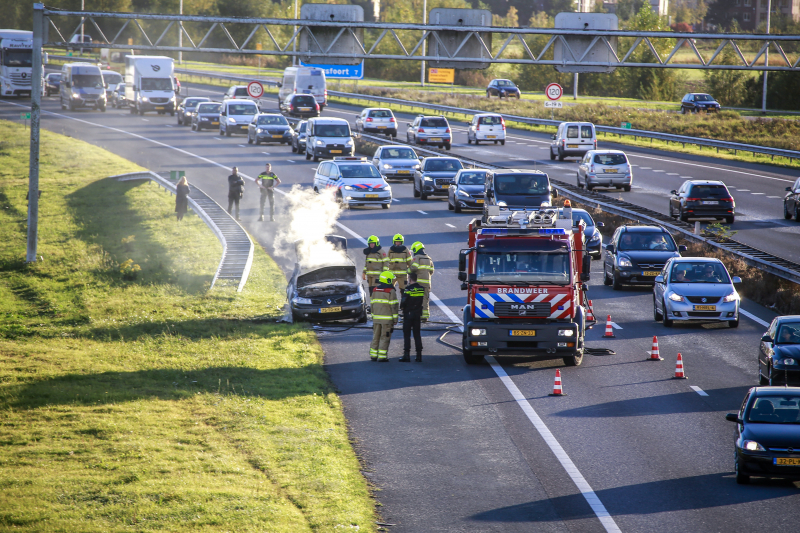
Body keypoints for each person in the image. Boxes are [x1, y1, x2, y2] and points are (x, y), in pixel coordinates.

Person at [369, 271, 399, 362]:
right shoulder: (391, 291)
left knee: (375, 337)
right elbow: (393, 306)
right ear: (388, 280)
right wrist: (395, 319)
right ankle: (382, 357)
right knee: (384, 338)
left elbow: (372, 304)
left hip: (376, 319)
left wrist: (373, 316)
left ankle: (373, 355)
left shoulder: (375, 290)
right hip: (387, 320)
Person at [399, 271, 425, 362]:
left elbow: (404, 301)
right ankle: (419, 355)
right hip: (417, 314)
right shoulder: (421, 289)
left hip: (408, 314)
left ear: (410, 279)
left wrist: (402, 307)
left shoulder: (408, 289)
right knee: (417, 334)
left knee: (407, 334)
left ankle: (407, 355)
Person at [409, 241, 434, 321]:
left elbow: (414, 268)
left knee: (416, 299)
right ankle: (425, 316)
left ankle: (417, 315)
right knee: (425, 299)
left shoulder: (417, 258)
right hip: (427, 283)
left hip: (419, 282)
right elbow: (431, 271)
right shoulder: (429, 258)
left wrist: (408, 270)